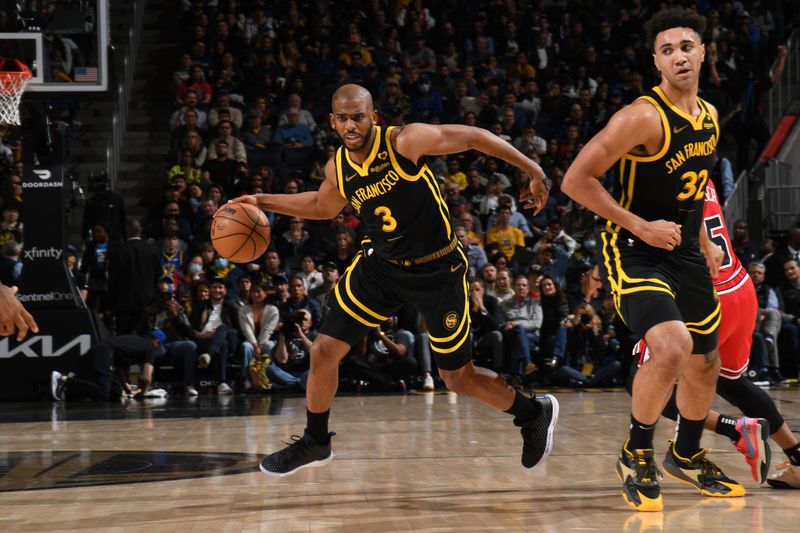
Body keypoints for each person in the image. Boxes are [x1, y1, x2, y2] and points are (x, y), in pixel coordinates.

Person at [232, 83, 557, 477]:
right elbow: (322, 204)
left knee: (457, 378)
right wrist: (261, 200)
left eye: (359, 116)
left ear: (373, 117)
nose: (351, 125)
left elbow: (475, 137)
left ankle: (533, 412)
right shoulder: (338, 165)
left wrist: (533, 169)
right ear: (333, 121)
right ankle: (316, 441)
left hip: (437, 270)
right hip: (382, 267)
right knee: (322, 352)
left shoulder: (405, 141)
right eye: (343, 118)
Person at [561, 9, 742, 511]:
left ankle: (685, 454)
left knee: (708, 360)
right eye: (667, 50)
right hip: (635, 250)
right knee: (673, 347)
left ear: (703, 52)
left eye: (687, 46)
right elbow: (576, 180)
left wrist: (705, 238)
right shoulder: (641, 116)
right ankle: (635, 451)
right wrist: (638, 225)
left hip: (683, 249)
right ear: (656, 62)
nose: (679, 56)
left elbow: (697, 183)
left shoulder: (707, 116)